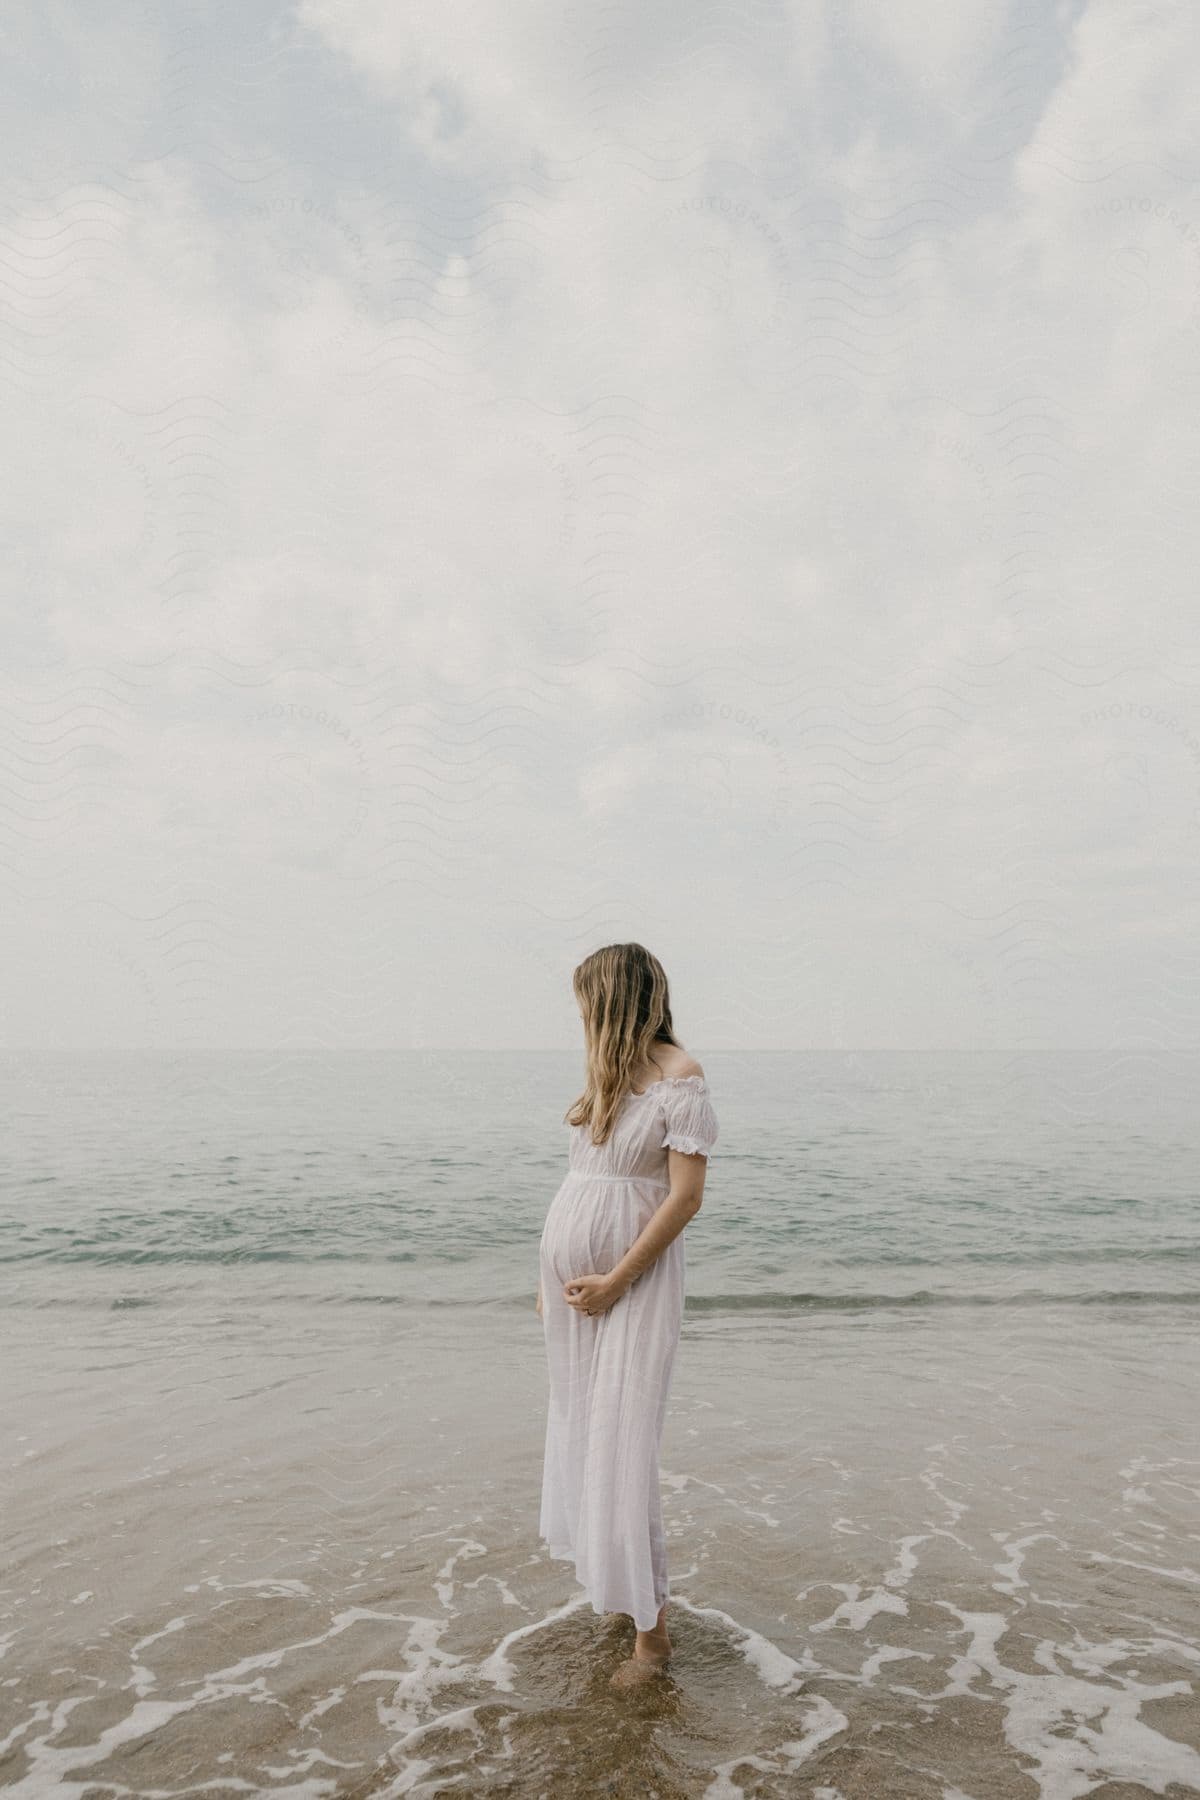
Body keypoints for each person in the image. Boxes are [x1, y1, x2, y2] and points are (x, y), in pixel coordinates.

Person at [536, 942, 719, 1688]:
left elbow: (684, 1198)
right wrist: (554, 1279)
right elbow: (585, 1181)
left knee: (623, 1446)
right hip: (577, 1292)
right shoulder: (606, 1075)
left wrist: (614, 1279)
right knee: (585, 1434)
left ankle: (653, 1639)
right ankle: (620, 1591)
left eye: (588, 998)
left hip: (631, 1287)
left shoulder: (682, 1078)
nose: (580, 1013)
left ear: (614, 997)